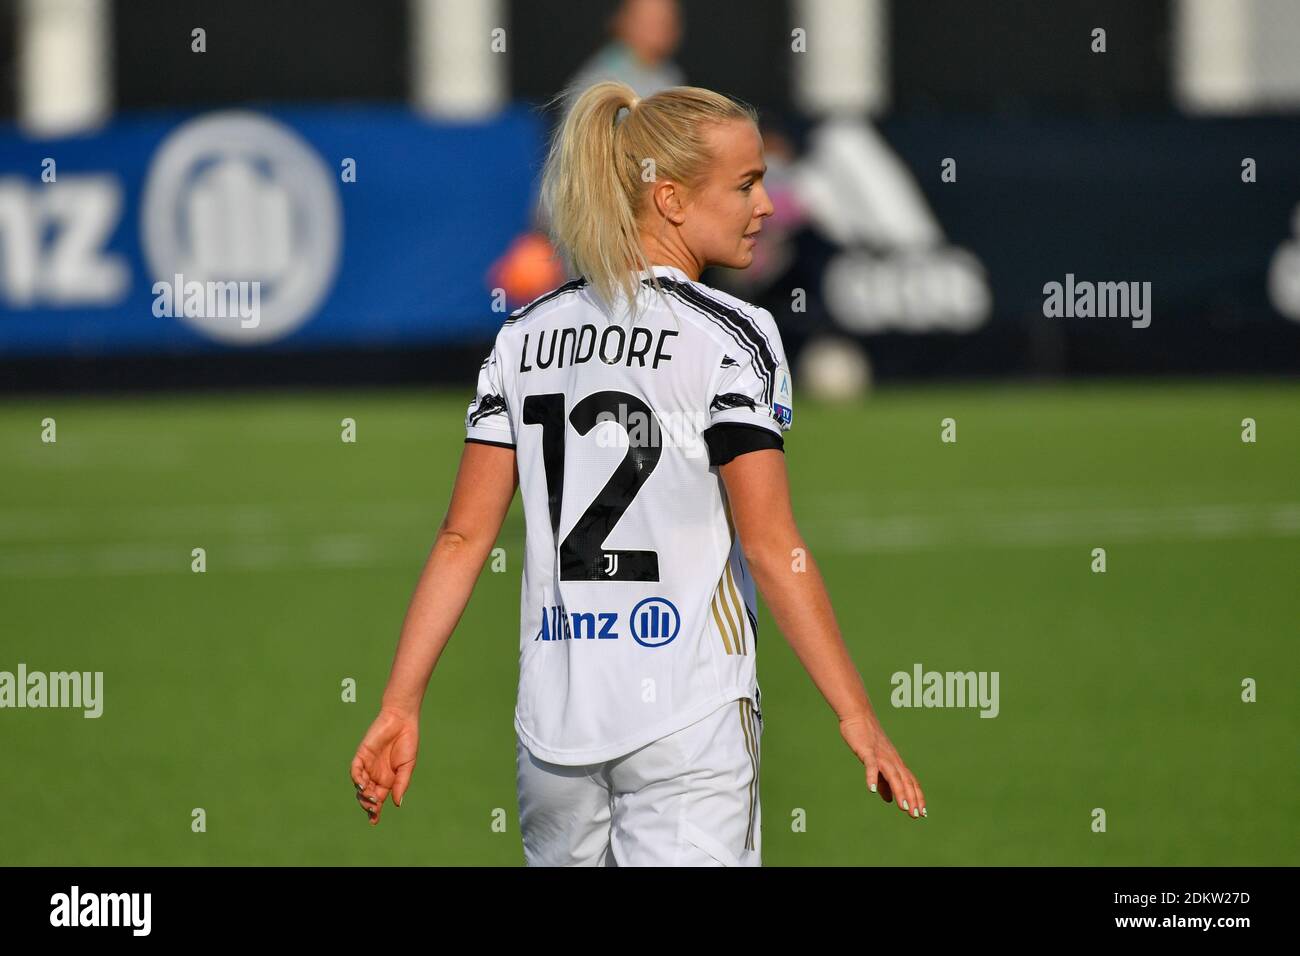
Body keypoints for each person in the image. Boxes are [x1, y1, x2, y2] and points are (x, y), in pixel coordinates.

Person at [350, 80, 926, 866]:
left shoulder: (523, 336)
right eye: (747, 185)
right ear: (672, 200)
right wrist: (856, 715)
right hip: (689, 720)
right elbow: (770, 544)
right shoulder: (736, 335)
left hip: (554, 734)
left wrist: (399, 702)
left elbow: (461, 537)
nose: (766, 204)